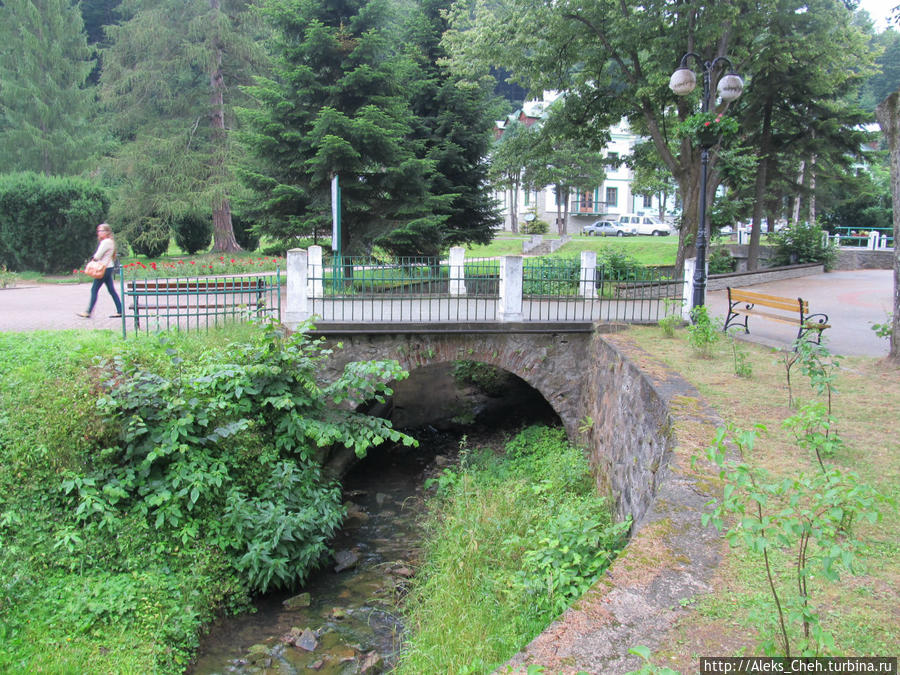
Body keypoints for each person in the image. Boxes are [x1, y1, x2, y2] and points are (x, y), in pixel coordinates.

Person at [78, 223, 123, 318]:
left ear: (107, 232)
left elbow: (97, 256)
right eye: (98, 231)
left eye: (101, 231)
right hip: (108, 267)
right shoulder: (110, 241)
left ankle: (88, 312)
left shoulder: (106, 242)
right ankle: (120, 310)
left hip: (103, 268)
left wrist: (92, 260)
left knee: (94, 289)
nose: (99, 232)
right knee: (111, 290)